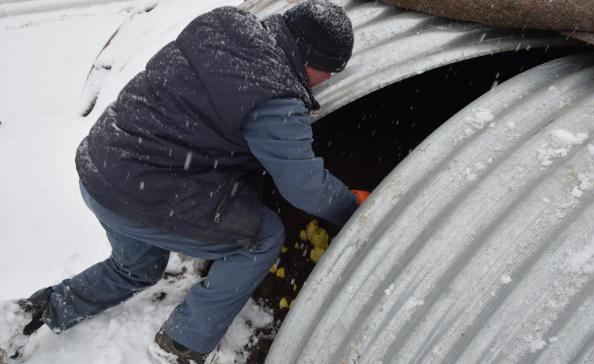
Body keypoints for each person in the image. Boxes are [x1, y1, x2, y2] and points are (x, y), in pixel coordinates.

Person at [0, 1, 369, 363]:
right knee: (261, 238)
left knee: (136, 267)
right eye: (330, 71)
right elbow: (303, 185)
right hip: (140, 190)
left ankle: (31, 314)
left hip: (103, 167)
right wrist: (352, 210)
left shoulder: (227, 26)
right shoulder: (275, 99)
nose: (331, 80)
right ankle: (181, 345)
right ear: (308, 59)